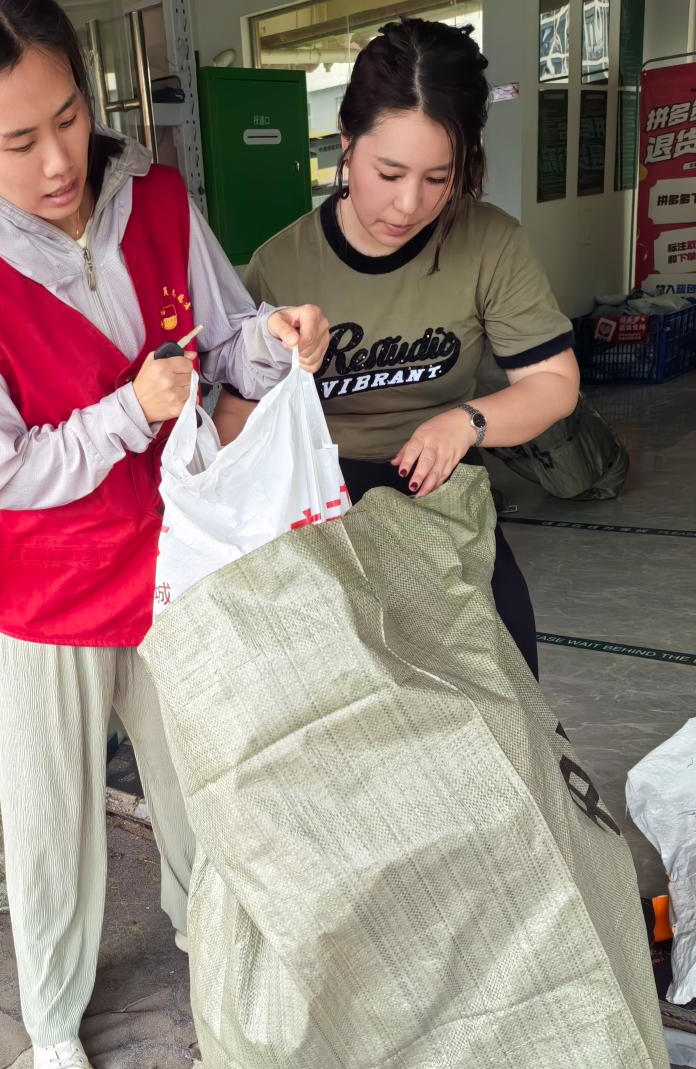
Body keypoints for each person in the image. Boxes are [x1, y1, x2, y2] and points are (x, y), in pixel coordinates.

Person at [0, 0, 329, 1069]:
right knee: (54, 822)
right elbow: (6, 472)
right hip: (44, 595)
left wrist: (273, 341)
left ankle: (214, 957)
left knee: (199, 787)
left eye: (69, 119)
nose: (57, 161)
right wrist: (129, 412)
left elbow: (220, 340)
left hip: (170, 559)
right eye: (17, 141)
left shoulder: (158, 202)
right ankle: (52, 1020)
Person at [214, 18, 581, 679]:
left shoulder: (490, 244)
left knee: (506, 674)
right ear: (345, 143)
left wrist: (466, 422)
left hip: (440, 491)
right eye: (388, 173)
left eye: (439, 178)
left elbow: (554, 382)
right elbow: (236, 420)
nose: (409, 205)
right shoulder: (282, 265)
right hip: (319, 502)